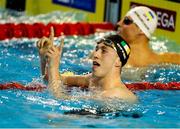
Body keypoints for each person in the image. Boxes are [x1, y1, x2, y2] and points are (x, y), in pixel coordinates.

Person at [37, 28, 137, 103]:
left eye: (104, 51)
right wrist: (45, 59)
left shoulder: (114, 95)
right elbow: (50, 80)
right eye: (97, 49)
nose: (95, 55)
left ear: (118, 61)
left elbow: (57, 98)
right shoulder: (92, 80)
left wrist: (54, 65)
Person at [116, 6, 180, 67]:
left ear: (141, 30)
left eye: (126, 21)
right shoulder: (168, 59)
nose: (118, 23)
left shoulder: (116, 60)